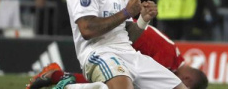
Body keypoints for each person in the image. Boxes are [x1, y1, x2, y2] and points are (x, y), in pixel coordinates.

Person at [26, 25, 208, 89]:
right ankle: (58, 77)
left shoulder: (172, 57)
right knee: (120, 83)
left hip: (120, 44)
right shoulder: (167, 59)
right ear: (187, 80)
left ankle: (58, 77)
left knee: (114, 82)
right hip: (116, 43)